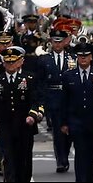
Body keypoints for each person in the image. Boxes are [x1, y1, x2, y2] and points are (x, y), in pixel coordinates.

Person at [0, 46, 43, 183]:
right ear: (4, 63)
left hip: (24, 126)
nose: (10, 65)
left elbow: (35, 100)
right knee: (8, 158)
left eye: (13, 62)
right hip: (5, 126)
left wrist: (32, 115)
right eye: (8, 62)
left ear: (20, 62)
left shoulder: (29, 78)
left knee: (24, 159)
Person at [61, 41, 93, 183]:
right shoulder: (68, 75)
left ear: (91, 57)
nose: (83, 58)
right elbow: (63, 100)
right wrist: (63, 122)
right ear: (77, 57)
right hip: (76, 121)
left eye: (86, 55)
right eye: (80, 56)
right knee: (80, 152)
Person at [36, 21, 75, 172]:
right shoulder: (44, 59)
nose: (57, 44)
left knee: (69, 130)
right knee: (58, 131)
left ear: (64, 42)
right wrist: (42, 101)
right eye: (54, 41)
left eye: (60, 41)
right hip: (53, 98)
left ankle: (65, 152)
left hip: (69, 98)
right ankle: (61, 160)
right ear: (51, 42)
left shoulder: (72, 58)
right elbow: (40, 82)